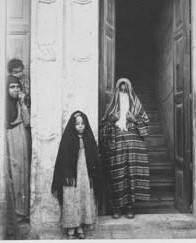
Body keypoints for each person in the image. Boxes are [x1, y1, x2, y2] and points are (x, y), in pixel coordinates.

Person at [99, 78, 150, 219]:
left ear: (130, 91)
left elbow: (146, 124)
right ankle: (116, 208)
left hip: (134, 144)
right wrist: (112, 119)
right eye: (120, 90)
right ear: (116, 92)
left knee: (132, 175)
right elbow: (102, 126)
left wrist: (134, 120)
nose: (123, 93)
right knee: (117, 175)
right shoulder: (111, 107)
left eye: (125, 90)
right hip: (116, 144)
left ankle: (130, 208)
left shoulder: (137, 106)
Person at [51, 111, 103, 239]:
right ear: (72, 125)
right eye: (77, 124)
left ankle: (80, 227)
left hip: (85, 175)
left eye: (83, 123)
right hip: (71, 176)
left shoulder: (89, 138)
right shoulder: (68, 139)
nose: (80, 126)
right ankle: (70, 229)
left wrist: (93, 172)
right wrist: (66, 175)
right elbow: (63, 160)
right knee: (71, 199)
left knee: (83, 198)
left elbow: (95, 157)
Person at [5, 75, 31, 222]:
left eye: (17, 87)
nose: (15, 90)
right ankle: (11, 211)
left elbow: (27, 122)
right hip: (8, 139)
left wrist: (23, 103)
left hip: (20, 138)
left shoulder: (20, 103)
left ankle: (21, 211)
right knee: (10, 172)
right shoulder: (4, 104)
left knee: (21, 173)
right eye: (12, 87)